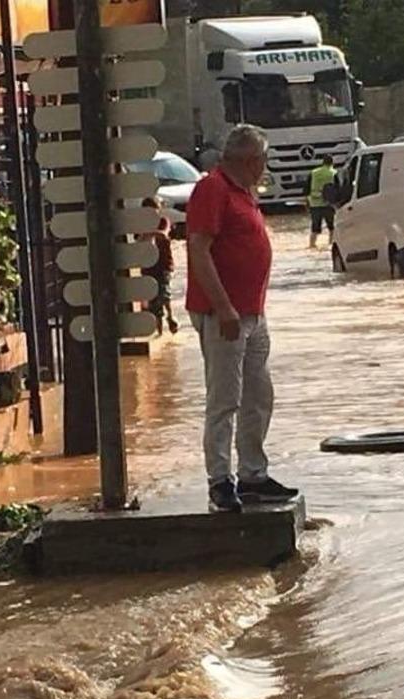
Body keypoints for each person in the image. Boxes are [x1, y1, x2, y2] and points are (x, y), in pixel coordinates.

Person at [185, 124, 300, 513]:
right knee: (225, 399)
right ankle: (220, 480)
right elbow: (199, 250)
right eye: (263, 161)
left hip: (253, 312)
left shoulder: (244, 192)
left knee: (258, 396)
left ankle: (253, 474)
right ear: (251, 160)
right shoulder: (212, 189)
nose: (265, 168)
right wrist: (223, 308)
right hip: (225, 314)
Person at [139, 197, 178, 335]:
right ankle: (159, 330)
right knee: (153, 298)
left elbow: (163, 234)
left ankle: (170, 316)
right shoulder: (141, 224)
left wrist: (149, 233)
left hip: (163, 265)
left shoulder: (163, 221)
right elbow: (137, 240)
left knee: (164, 294)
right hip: (148, 266)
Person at [306, 155, 337, 249]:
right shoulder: (334, 173)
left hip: (314, 204)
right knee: (332, 226)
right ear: (332, 163)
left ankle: (312, 244)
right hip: (329, 204)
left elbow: (306, 189)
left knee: (315, 227)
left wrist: (307, 201)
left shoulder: (313, 173)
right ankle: (331, 244)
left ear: (322, 162)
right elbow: (338, 189)